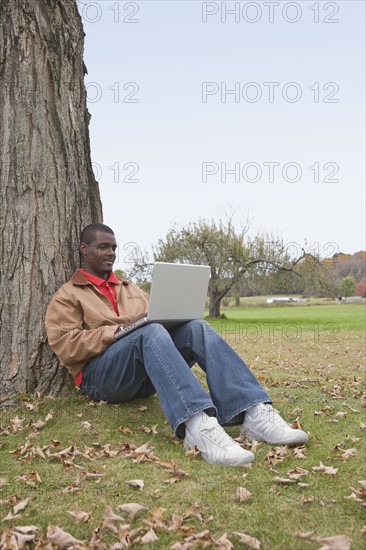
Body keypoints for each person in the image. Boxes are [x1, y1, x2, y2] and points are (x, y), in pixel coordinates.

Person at [45, 223, 308, 467]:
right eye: (103, 247)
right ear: (84, 250)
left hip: (144, 377)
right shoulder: (67, 295)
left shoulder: (131, 288)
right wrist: (119, 331)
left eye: (114, 247)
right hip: (100, 379)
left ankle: (253, 413)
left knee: (197, 327)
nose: (111, 252)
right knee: (150, 332)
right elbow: (68, 345)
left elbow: (159, 320)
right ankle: (199, 428)